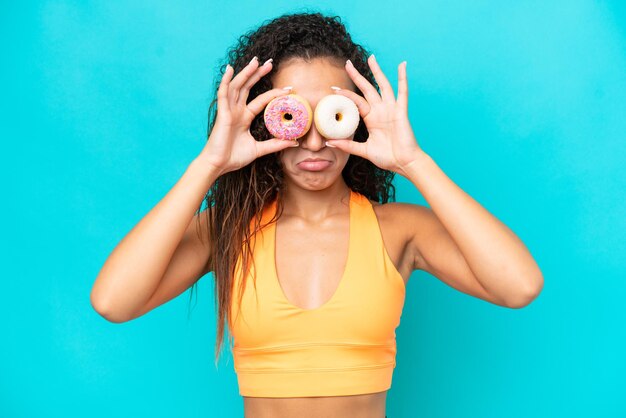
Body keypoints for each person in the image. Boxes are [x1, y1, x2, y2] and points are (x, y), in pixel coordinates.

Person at [90, 12, 544, 418]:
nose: (313, 144)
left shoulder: (400, 231)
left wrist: (413, 162)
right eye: (293, 116)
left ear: (360, 118)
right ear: (262, 119)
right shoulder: (226, 230)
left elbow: (519, 286)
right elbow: (114, 301)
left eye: (332, 115)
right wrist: (209, 165)